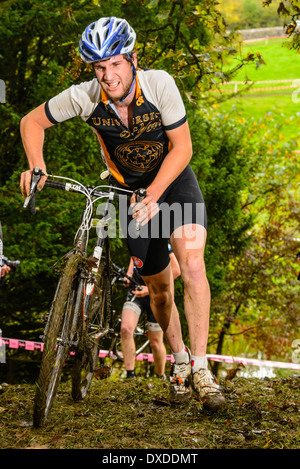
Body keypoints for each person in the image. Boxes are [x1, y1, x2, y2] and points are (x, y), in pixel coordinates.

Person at [20, 16, 225, 410]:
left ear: (132, 59)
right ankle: (179, 360)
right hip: (125, 194)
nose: (108, 75)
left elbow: (183, 148)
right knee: (161, 290)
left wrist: (154, 194)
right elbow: (32, 122)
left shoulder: (160, 83)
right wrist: (36, 164)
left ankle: (201, 369)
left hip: (174, 180)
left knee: (193, 263)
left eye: (115, 63)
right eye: (99, 67)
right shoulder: (84, 96)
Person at [121, 244, 180, 379]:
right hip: (136, 292)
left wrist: (148, 289)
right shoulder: (137, 238)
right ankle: (130, 375)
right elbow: (134, 257)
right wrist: (129, 275)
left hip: (156, 295)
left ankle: (160, 375)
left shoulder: (162, 243)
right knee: (125, 329)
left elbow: (176, 270)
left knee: (155, 342)